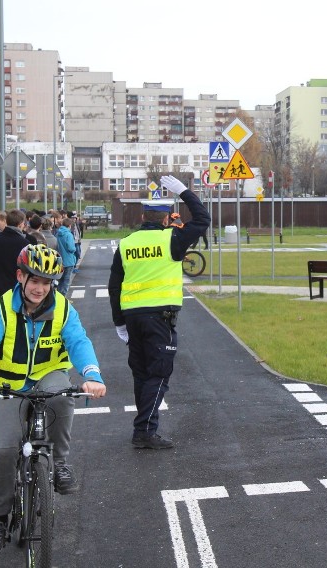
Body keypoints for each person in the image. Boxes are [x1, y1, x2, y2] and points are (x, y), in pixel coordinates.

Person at [0, 244, 106, 561]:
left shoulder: (63, 309)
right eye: (35, 279)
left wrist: (92, 375)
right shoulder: (2, 308)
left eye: (47, 281)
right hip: (7, 385)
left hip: (47, 374)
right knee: (3, 451)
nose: (40, 287)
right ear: (20, 277)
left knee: (64, 395)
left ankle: (60, 464)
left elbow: (79, 341)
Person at [108, 175, 210, 449]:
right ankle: (144, 431)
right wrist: (185, 192)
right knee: (159, 374)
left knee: (142, 375)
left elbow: (114, 286)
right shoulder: (172, 240)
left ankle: (143, 429)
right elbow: (202, 220)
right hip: (159, 320)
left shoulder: (126, 244)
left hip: (132, 318)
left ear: (143, 217)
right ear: (166, 219)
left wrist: (119, 322)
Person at [55, 216, 77, 295]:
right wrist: (74, 249)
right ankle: (63, 297)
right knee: (66, 280)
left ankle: (58, 295)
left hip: (60, 260)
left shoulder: (57, 233)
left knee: (60, 280)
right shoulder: (68, 235)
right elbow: (71, 248)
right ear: (69, 225)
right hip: (68, 260)